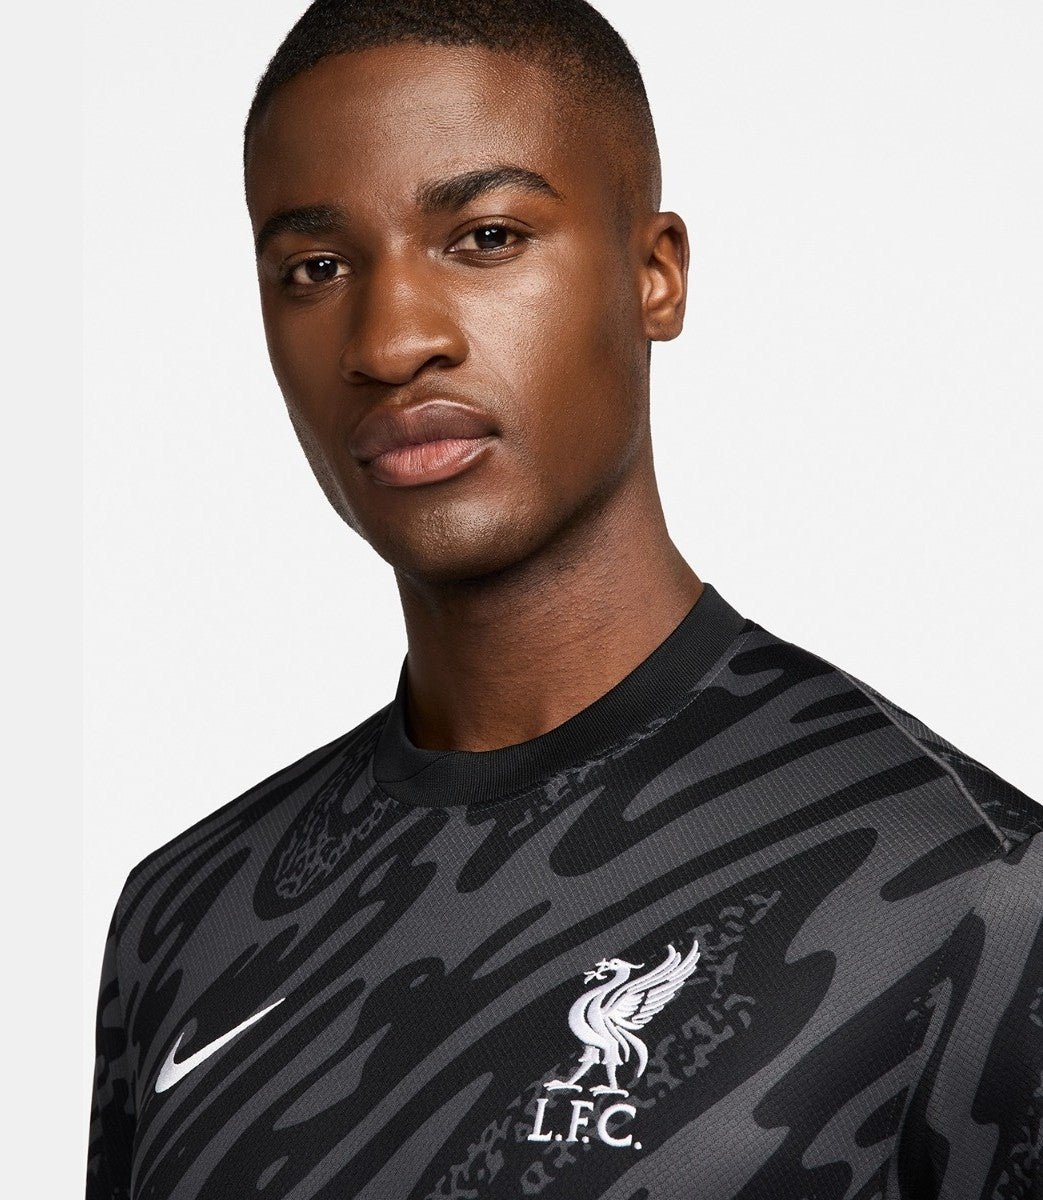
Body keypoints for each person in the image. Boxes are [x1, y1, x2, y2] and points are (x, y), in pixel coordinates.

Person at [86, 2, 1042, 1197]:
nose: (389, 341)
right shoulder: (183, 920)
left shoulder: (974, 891)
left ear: (654, 275)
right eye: (316, 269)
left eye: (484, 237)